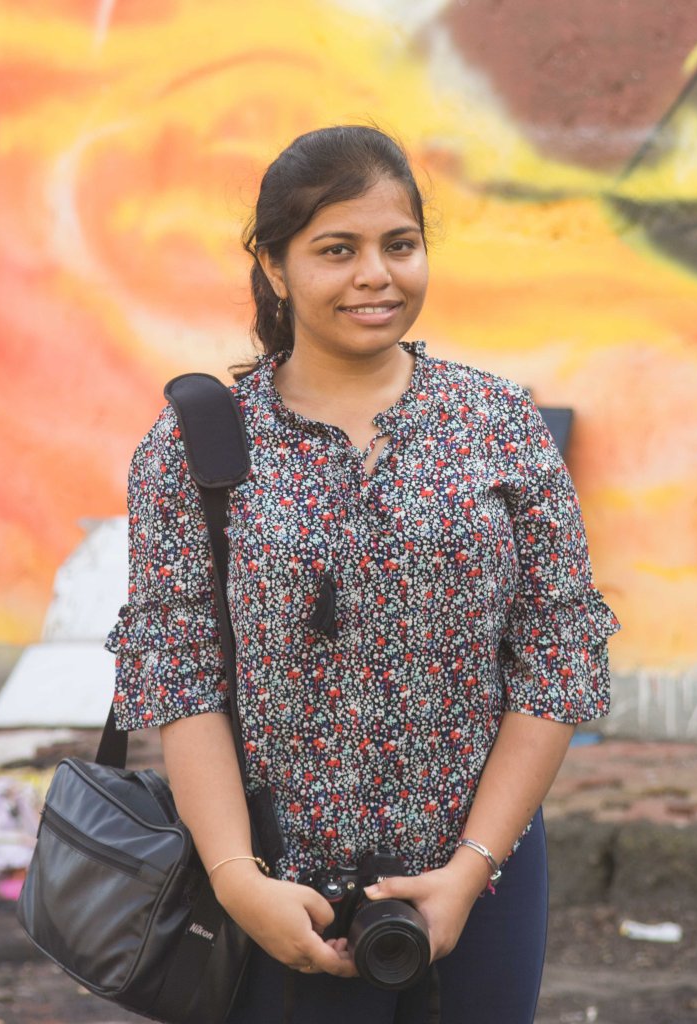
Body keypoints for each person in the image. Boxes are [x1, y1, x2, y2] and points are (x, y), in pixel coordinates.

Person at [106, 125, 619, 1024]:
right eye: (336, 250)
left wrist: (468, 872)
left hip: (478, 880)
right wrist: (235, 881)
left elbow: (558, 653)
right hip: (278, 891)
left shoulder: (497, 423)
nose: (375, 276)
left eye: (400, 245)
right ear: (274, 266)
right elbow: (177, 674)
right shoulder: (195, 447)